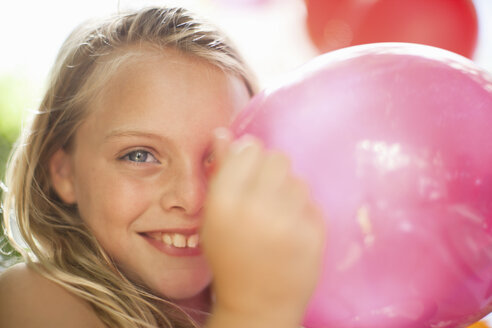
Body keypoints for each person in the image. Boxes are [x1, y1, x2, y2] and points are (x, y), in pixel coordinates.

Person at [0, 5, 325, 328]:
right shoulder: (30, 296)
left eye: (219, 156)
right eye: (139, 155)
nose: (192, 197)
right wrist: (254, 311)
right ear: (64, 172)